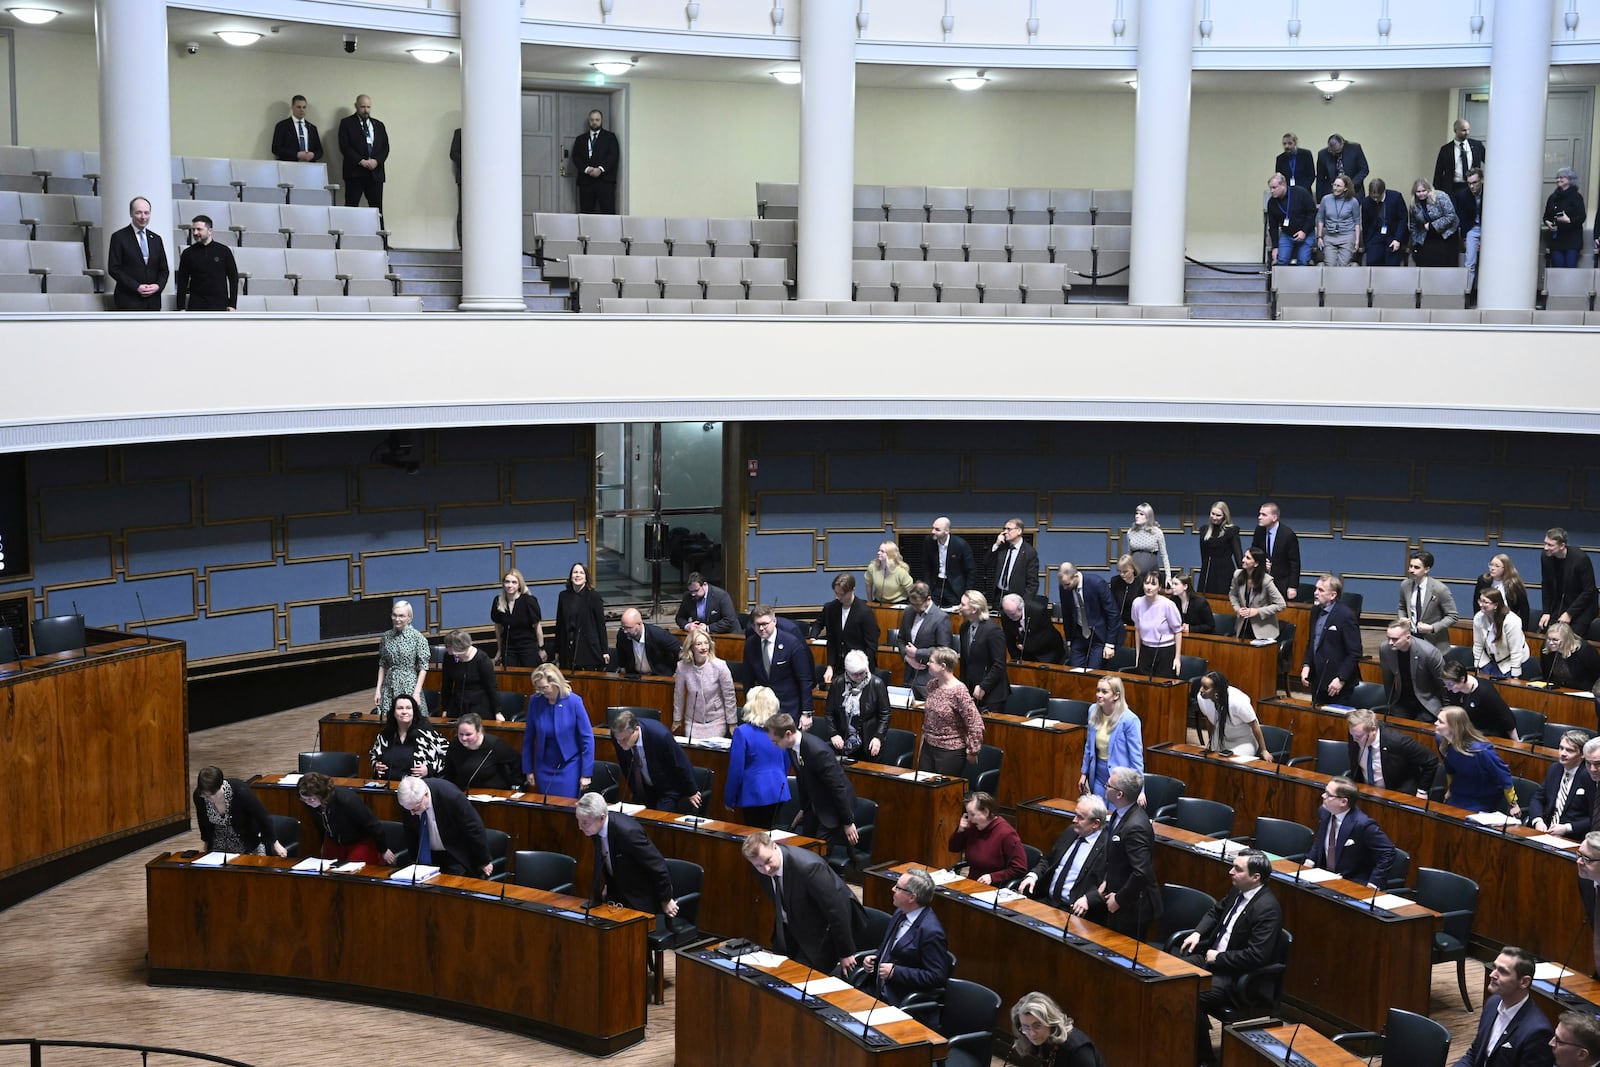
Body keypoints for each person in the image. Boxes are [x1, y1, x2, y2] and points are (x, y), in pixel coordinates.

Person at [1182, 850, 1284, 1067]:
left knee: (1188, 993)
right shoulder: (1239, 890)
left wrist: (1218, 957)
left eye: (1237, 869)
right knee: (1170, 976)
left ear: (1255, 877)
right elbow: (1215, 912)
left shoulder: (1268, 909)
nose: (1230, 872)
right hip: (1212, 960)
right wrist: (1198, 933)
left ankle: (1205, 1060)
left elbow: (1256, 955)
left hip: (1236, 978)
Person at [742, 830, 866, 974]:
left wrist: (845, 952)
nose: (766, 869)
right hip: (794, 924)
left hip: (824, 932)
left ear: (775, 846)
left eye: (768, 861)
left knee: (800, 977)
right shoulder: (760, 865)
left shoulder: (808, 867)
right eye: (758, 866)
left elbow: (837, 909)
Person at [843, 867, 950, 1007]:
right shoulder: (900, 913)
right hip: (875, 990)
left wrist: (896, 972)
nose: (893, 889)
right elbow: (891, 949)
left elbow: (937, 977)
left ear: (912, 897)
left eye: (898, 888)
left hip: (899, 1000)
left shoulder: (931, 932)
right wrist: (874, 958)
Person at [575, 792, 678, 916]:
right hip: (618, 894)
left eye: (584, 822)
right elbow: (608, 857)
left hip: (640, 898)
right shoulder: (595, 828)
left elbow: (657, 865)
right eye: (578, 820)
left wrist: (666, 899)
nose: (580, 827)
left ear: (602, 818)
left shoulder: (628, 832)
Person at [767, 713, 859, 849]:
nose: (774, 745)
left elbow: (837, 787)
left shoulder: (817, 751)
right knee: (804, 847)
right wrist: (804, 809)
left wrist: (848, 822)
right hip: (815, 805)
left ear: (787, 734)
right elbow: (803, 781)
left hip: (833, 808)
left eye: (776, 741)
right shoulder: (792, 748)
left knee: (818, 854)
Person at [1450, 947, 1554, 1067]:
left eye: (1503, 971)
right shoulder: (1492, 1004)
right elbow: (1474, 1054)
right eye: (1495, 968)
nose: (1492, 974)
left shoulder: (1537, 1031)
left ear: (1524, 982)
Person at [1017, 793, 1109, 920]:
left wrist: (1089, 899)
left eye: (1080, 817)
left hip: (1075, 913)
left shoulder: (1107, 847)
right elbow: (1049, 861)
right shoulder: (1071, 831)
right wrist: (1033, 875)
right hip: (1048, 902)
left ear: (1096, 824)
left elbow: (1109, 883)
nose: (1074, 820)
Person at [1098, 767, 1161, 939]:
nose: (1105, 787)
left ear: (1119, 794)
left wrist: (1119, 899)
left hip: (1133, 907)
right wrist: (1107, 880)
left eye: (1108, 785)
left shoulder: (1136, 827)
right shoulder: (1120, 814)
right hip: (1119, 895)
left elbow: (1141, 873)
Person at [1303, 775, 1397, 888]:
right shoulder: (1325, 811)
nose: (1323, 796)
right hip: (1324, 877)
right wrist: (1309, 861)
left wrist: (1373, 884)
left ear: (1343, 802)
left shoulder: (1363, 824)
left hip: (1351, 882)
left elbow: (1388, 852)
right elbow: (1321, 839)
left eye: (1328, 794)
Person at [394, 775, 492, 877]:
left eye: (415, 809)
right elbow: (410, 833)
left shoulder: (451, 796)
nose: (412, 813)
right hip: (427, 855)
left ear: (426, 795)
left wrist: (484, 860)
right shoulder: (409, 800)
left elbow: (473, 826)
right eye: (408, 809)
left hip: (454, 853)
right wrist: (414, 862)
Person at [521, 663, 594, 797]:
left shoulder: (574, 701)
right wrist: (528, 769)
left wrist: (586, 773)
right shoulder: (535, 701)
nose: (541, 692)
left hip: (569, 766)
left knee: (566, 807)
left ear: (556, 683)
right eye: (538, 688)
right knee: (547, 808)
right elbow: (529, 738)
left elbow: (587, 738)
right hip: (543, 766)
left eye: (544, 687)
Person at [610, 708, 700, 813]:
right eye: (618, 740)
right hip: (645, 789)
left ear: (637, 730)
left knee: (659, 819)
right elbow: (625, 765)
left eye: (624, 740)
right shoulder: (618, 736)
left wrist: (692, 791)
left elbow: (680, 762)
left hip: (667, 788)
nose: (620, 743)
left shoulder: (660, 735)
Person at [725, 686, 791, 829]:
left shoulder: (742, 733)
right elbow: (786, 763)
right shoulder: (780, 731)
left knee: (755, 839)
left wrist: (730, 799)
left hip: (754, 793)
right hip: (778, 791)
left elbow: (736, 770)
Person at [1434, 706, 1518, 815]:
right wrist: (1449, 790)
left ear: (1454, 727)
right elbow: (1449, 768)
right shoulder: (1441, 740)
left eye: (1440, 722)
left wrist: (1513, 803)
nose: (1435, 723)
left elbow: (1503, 774)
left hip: (1481, 798)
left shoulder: (1481, 750)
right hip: (1458, 794)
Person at [918, 647, 984, 775]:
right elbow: (929, 718)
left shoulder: (959, 691)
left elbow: (975, 723)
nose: (928, 664)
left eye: (931, 661)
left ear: (942, 666)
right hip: (928, 747)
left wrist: (973, 750)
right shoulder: (932, 685)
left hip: (950, 752)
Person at [194, 765, 286, 857]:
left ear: (221, 786)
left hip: (247, 844)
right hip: (219, 847)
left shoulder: (240, 790)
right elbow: (202, 821)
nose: (209, 799)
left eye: (212, 794)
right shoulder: (199, 797)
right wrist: (206, 841)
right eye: (205, 796)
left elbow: (261, 816)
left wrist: (274, 842)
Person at [1347, 706, 1439, 797]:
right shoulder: (1355, 735)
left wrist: (1422, 791)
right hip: (1365, 792)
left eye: (1358, 737)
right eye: (1352, 735)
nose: (1354, 740)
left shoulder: (1398, 741)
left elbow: (1431, 760)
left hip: (1396, 794)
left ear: (1373, 730)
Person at [296, 771, 385, 862]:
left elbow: (372, 823)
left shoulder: (347, 799)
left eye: (312, 799)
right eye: (304, 799)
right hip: (334, 840)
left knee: (353, 871)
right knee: (326, 870)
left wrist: (384, 849)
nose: (308, 802)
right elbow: (321, 825)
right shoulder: (310, 803)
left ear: (322, 794)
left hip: (358, 841)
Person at [743, 604, 815, 718]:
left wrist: (806, 712)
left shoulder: (791, 643)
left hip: (789, 706)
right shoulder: (751, 644)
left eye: (764, 624)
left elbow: (804, 679)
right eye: (757, 625)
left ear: (774, 621)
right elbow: (748, 679)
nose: (761, 628)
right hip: (763, 707)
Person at [820, 649, 892, 761]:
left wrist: (878, 737)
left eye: (862, 673)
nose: (859, 677)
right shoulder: (838, 683)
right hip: (844, 740)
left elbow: (885, 714)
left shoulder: (877, 684)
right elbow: (829, 713)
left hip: (869, 741)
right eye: (855, 674)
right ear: (847, 671)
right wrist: (833, 733)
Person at [1301, 574, 1362, 705]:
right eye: (1316, 588)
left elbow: (1355, 653)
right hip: (1318, 679)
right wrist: (1306, 665)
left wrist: (1341, 678)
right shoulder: (1315, 611)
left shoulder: (1345, 616)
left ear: (1333, 595)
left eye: (1321, 590)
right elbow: (1312, 642)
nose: (1315, 593)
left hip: (1338, 685)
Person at [948, 790, 1027, 885]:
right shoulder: (973, 826)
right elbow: (953, 848)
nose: (969, 819)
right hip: (971, 883)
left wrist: (993, 877)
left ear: (986, 812)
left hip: (994, 888)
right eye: (968, 814)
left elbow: (1019, 868)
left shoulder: (1007, 834)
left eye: (972, 814)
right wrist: (960, 831)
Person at [1080, 677, 1143, 797]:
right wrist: (1084, 773)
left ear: (1116, 695)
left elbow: (1136, 758)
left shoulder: (1130, 720)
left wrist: (1140, 790)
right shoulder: (1093, 711)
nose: (1099, 695)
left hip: (1120, 780)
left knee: (1115, 814)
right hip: (1098, 775)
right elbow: (1089, 746)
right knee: (1100, 812)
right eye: (1098, 690)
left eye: (1104, 692)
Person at [1011, 991, 1108, 1067]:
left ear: (1050, 1022)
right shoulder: (1041, 1039)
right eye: (1026, 1027)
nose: (1031, 1034)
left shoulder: (1078, 1050)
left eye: (1037, 1026)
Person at [672, 628, 737, 740]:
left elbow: (729, 696)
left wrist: (732, 723)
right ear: (691, 647)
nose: (704, 647)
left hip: (716, 720)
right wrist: (677, 719)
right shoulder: (682, 667)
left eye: (706, 643)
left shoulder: (720, 666)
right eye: (699, 644)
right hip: (693, 721)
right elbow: (679, 695)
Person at [814, 573, 879, 685]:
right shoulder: (831, 609)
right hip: (838, 667)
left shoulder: (865, 612)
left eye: (842, 594)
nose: (838, 597)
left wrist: (859, 668)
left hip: (859, 669)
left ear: (852, 590)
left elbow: (871, 646)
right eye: (836, 593)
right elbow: (832, 640)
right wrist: (830, 666)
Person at [1378, 619, 1448, 722]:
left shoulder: (1429, 653)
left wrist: (1447, 711)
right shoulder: (1385, 649)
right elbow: (1388, 680)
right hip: (1402, 700)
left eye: (1395, 639)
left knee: (1421, 726)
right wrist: (1391, 704)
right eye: (1388, 638)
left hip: (1427, 701)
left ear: (1408, 637)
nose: (1390, 643)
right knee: (1396, 725)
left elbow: (1444, 684)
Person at [107, 196, 168, 311]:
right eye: (139, 213)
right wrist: (136, 287)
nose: (143, 217)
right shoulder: (119, 237)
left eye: (146, 213)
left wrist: (158, 286)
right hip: (128, 300)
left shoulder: (156, 239)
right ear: (131, 213)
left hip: (153, 302)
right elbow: (114, 268)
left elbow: (164, 269)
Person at [1531, 731, 1593, 839]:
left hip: (1573, 837)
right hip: (1546, 830)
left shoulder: (1589, 777)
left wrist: (1567, 828)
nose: (1563, 753)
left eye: (1569, 750)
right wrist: (1538, 821)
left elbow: (1594, 817)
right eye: (1561, 748)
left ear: (1582, 754)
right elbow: (1537, 798)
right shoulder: (1555, 769)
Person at [369, 693, 446, 780]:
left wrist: (430, 769)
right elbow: (373, 754)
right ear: (394, 712)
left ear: (414, 711)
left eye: (408, 708)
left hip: (417, 787)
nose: (404, 712)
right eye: (400, 708)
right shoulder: (385, 734)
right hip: (387, 785)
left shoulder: (427, 733)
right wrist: (376, 765)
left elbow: (447, 754)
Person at [373, 599, 429, 719]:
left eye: (401, 616)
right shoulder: (386, 636)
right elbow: (382, 664)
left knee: (410, 719)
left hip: (409, 685)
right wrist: (378, 690)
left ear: (409, 618)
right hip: (389, 685)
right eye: (394, 615)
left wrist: (417, 692)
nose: (397, 619)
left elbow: (424, 667)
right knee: (389, 721)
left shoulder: (418, 638)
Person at [1058, 562, 1121, 668]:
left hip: (1099, 636)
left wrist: (1110, 644)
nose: (1064, 588)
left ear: (1076, 576)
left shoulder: (1097, 584)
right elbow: (1067, 614)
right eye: (1063, 584)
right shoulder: (1064, 587)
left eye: (1067, 584)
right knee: (1074, 671)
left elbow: (1113, 613)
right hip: (1078, 635)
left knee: (1093, 672)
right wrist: (1069, 640)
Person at [957, 590, 1009, 711]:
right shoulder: (964, 628)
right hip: (971, 691)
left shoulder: (993, 631)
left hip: (992, 695)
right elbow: (965, 662)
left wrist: (983, 686)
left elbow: (999, 664)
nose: (960, 607)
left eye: (963, 604)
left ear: (974, 609)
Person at [441, 713, 521, 791]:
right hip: (463, 793)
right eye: (460, 734)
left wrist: (515, 784)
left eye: (468, 734)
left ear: (479, 731)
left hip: (493, 793)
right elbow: (449, 772)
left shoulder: (495, 745)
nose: (464, 738)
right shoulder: (455, 744)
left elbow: (516, 762)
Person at [1541, 527, 1598, 637]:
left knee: (1569, 638)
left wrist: (1569, 613)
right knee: (1550, 635)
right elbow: (1546, 585)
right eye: (1545, 543)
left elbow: (1589, 590)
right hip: (1561, 602)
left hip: (1583, 605)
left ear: (1562, 546)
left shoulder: (1580, 559)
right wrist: (1546, 611)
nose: (1546, 548)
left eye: (1550, 545)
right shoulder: (1546, 557)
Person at [899, 581, 953, 696]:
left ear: (928, 599)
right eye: (912, 604)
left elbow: (943, 649)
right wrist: (907, 658)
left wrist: (917, 653)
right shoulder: (909, 611)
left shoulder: (941, 618)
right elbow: (901, 639)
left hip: (928, 678)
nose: (914, 608)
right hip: (909, 675)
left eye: (917, 605)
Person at [1197, 669, 1268, 757]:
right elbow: (1209, 720)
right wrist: (1210, 742)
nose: (1201, 690)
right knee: (1211, 760)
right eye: (1201, 685)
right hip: (1221, 736)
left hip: (1243, 740)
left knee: (1233, 763)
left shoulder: (1237, 701)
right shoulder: (1201, 698)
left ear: (1216, 691)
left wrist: (1264, 750)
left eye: (1206, 688)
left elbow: (1254, 724)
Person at [174, 215, 237, 312]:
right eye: (193, 229)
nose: (195, 233)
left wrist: (232, 304)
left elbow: (233, 278)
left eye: (199, 229)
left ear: (210, 231)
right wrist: (181, 307)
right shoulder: (187, 253)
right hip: (196, 306)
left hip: (220, 306)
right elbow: (182, 282)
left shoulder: (224, 251)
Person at [1398, 550, 1459, 652]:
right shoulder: (1405, 585)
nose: (1411, 570)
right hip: (1411, 639)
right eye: (1410, 566)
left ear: (1427, 569)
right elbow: (1402, 607)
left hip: (1434, 643)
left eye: (1416, 567)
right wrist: (1402, 618)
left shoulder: (1440, 589)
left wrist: (1432, 628)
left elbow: (1453, 616)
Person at [337, 94, 389, 212]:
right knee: (351, 207)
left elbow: (385, 148)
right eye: (362, 107)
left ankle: (378, 230)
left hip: (375, 173)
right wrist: (361, 161)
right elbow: (344, 147)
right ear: (356, 106)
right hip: (355, 173)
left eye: (368, 107)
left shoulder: (379, 125)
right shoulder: (347, 123)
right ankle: (350, 230)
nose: (366, 110)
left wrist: (376, 161)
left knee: (377, 209)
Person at [1442, 660, 1518, 740]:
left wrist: (1516, 742)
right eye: (1445, 684)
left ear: (1462, 679)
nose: (1448, 688)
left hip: (1490, 734)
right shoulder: (1453, 690)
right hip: (1469, 732)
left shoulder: (1485, 692)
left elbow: (1506, 718)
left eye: (1450, 684)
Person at [555, 562, 606, 670]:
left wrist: (604, 651)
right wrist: (557, 650)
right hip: (567, 647)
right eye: (575, 572)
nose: (578, 575)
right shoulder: (563, 596)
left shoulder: (594, 596)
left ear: (586, 577)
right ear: (571, 576)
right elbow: (559, 624)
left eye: (581, 573)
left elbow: (601, 625)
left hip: (588, 648)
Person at [1130, 571, 1182, 677]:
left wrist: (1177, 658)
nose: (1149, 587)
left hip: (1165, 651)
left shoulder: (1168, 605)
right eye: (1146, 583)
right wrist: (1138, 655)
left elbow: (1178, 631)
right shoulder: (1137, 603)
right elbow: (1137, 629)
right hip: (1146, 650)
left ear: (1159, 587)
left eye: (1153, 584)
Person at [490, 569, 545, 667]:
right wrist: (499, 650)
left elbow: (537, 626)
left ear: (519, 585)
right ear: (503, 584)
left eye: (514, 582)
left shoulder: (529, 601)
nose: (510, 585)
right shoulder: (498, 601)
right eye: (507, 582)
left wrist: (541, 648)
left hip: (527, 646)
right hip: (509, 647)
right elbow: (498, 628)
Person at [1229, 547, 1286, 642]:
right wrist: (1238, 609)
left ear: (1256, 563)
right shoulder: (1237, 575)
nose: (1243, 560)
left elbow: (1281, 605)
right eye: (1244, 556)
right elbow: (1232, 595)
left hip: (1263, 630)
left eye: (1248, 558)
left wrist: (1258, 611)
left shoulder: (1266, 581)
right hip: (1243, 627)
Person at [439, 628, 497, 719]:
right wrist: (445, 708)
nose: (447, 650)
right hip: (457, 704)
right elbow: (446, 685)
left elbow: (492, 687)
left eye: (448, 647)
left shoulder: (482, 659)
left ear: (458, 648)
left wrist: (498, 711)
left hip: (479, 705)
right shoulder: (448, 657)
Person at [1473, 588, 1531, 678]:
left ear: (1496, 605)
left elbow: (1516, 650)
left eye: (1485, 602)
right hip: (1490, 659)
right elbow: (1478, 644)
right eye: (1480, 601)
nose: (1481, 604)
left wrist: (1515, 676)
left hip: (1511, 661)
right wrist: (1478, 666)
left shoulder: (1511, 621)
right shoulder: (1478, 618)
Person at [572, 109, 620, 215]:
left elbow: (613, 156)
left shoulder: (610, 137)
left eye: (597, 120)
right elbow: (576, 157)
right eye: (592, 120)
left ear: (601, 121)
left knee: (608, 213)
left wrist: (600, 169)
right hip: (586, 182)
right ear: (589, 121)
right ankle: (586, 232)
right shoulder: (580, 139)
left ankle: (608, 232)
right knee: (586, 213)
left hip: (605, 181)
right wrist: (587, 169)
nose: (594, 122)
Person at [923, 516, 976, 607]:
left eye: (937, 529)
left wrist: (967, 593)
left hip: (954, 587)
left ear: (947, 531)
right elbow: (926, 567)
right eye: (933, 528)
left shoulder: (961, 544)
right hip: (935, 585)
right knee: (931, 610)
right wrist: (927, 588)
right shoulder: (929, 541)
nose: (933, 532)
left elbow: (971, 570)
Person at [1250, 503, 1300, 599]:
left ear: (1274, 518)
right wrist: (1261, 562)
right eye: (1260, 514)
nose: (1259, 517)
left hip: (1281, 582)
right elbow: (1254, 552)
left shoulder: (1288, 535)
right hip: (1261, 581)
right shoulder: (1259, 531)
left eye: (1264, 515)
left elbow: (1295, 563)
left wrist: (1292, 587)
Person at [1266, 172, 1316, 266]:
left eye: (1274, 188)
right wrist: (1275, 247)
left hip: (1306, 233)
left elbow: (1312, 213)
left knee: (1303, 261)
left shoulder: (1301, 193)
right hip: (1287, 234)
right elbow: (1273, 226)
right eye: (1270, 188)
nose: (1271, 191)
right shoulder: (1271, 203)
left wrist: (1304, 231)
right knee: (1282, 261)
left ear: (1283, 185)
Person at [1001, 592, 1067, 664]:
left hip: (1048, 652)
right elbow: (1009, 639)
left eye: (1012, 614)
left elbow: (1046, 636)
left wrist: (1025, 646)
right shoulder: (1006, 615)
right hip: (1026, 654)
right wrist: (1016, 659)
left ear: (1021, 607)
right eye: (1007, 614)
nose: (1010, 617)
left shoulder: (1038, 611)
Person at [612, 607, 680, 676]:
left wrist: (677, 672)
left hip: (659, 676)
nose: (625, 631)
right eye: (623, 627)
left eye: (628, 628)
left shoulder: (658, 634)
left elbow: (680, 650)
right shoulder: (622, 635)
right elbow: (621, 655)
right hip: (635, 676)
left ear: (639, 624)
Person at [1197, 501, 1244, 596]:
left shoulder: (1231, 531)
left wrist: (1243, 576)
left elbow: (1238, 556)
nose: (1214, 517)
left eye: (1218, 515)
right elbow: (1203, 555)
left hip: (1225, 571)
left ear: (1224, 516)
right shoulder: (1204, 530)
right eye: (1212, 514)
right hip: (1208, 570)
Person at [1410, 178, 1460, 267]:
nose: (1421, 194)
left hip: (1447, 233)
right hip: (1428, 235)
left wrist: (1433, 226)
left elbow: (1451, 215)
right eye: (1418, 192)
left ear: (1428, 189)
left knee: (1445, 263)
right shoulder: (1414, 205)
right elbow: (1413, 225)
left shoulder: (1441, 196)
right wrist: (1415, 243)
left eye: (1423, 191)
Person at [1545, 168, 1589, 269]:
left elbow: (1582, 217)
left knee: (1570, 270)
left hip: (1572, 240)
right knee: (1557, 269)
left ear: (1570, 179)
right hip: (1556, 240)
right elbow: (1546, 216)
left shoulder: (1577, 197)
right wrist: (1548, 223)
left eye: (1562, 177)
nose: (1558, 180)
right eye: (1557, 177)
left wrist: (1568, 220)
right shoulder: (1553, 197)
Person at [1315, 174, 1362, 267]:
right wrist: (1319, 237)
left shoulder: (1353, 201)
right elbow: (1320, 219)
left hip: (1347, 236)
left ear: (1345, 188)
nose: (1335, 188)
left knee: (1343, 265)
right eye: (1334, 185)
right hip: (1330, 236)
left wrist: (1356, 241)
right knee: (1330, 265)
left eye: (1338, 186)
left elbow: (1357, 222)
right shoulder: (1326, 199)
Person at [1476, 553, 1533, 629]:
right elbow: (1476, 602)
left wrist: (1524, 629)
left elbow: (1524, 608)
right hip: (1487, 620)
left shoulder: (1514, 584)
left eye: (1497, 566)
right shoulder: (1483, 580)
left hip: (1507, 622)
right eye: (1491, 564)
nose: (1492, 568)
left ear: (1505, 568)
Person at [1541, 622, 1600, 694]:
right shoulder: (1547, 650)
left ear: (1566, 640)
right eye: (1549, 639)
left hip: (1583, 692)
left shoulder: (1584, 650)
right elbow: (1546, 674)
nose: (1550, 643)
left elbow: (1597, 673)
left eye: (1555, 640)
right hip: (1558, 690)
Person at [1362, 177, 1410, 266]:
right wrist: (1367, 243)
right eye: (1373, 197)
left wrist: (1398, 239)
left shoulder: (1396, 197)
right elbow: (1365, 224)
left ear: (1383, 192)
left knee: (1392, 263)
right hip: (1375, 235)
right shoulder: (1366, 202)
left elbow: (1403, 219)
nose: (1375, 200)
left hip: (1393, 234)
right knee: (1372, 261)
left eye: (1378, 197)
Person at [990, 517, 1040, 602]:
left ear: (1019, 531)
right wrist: (996, 544)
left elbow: (1033, 583)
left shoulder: (1029, 552)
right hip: (999, 596)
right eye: (1004, 529)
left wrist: (1024, 603)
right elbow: (987, 563)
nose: (1005, 532)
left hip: (1016, 599)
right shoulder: (1002, 547)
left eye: (1009, 529)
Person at [1433, 118, 1485, 197]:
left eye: (1468, 130)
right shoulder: (1446, 149)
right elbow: (1438, 172)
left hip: (1472, 187)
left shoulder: (1477, 146)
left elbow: (1489, 163)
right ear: (1455, 130)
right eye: (1463, 130)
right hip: (1452, 188)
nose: (1467, 133)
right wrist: (1436, 192)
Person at [1124, 502, 1171, 582]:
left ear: (1148, 516)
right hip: (1134, 575)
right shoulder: (1130, 532)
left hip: (1151, 573)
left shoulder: (1157, 532)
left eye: (1141, 514)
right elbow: (1129, 554)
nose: (1137, 516)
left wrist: (1168, 576)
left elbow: (1164, 555)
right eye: (1137, 513)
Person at [1456, 167, 1485, 293]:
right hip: (1472, 228)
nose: (1472, 186)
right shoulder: (1463, 195)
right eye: (1469, 183)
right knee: (1470, 262)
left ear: (1482, 181)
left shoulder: (1491, 193)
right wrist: (1464, 237)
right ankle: (1467, 293)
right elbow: (1462, 219)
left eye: (1475, 183)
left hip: (1490, 228)